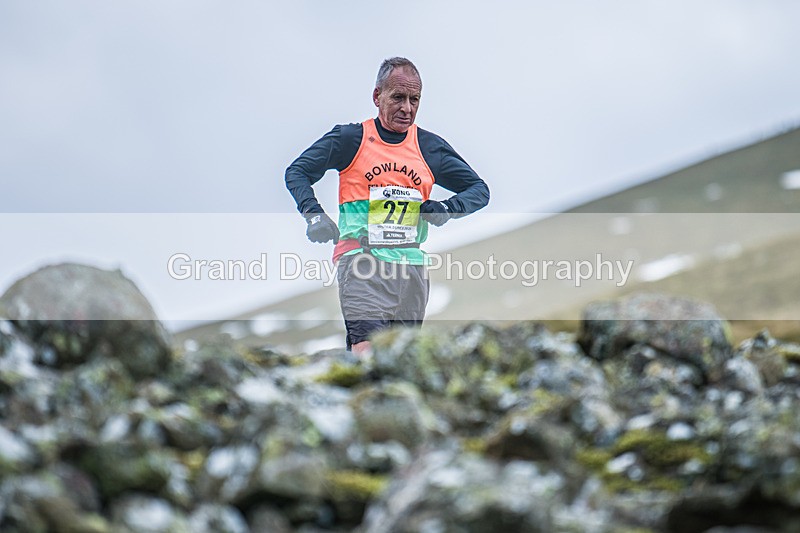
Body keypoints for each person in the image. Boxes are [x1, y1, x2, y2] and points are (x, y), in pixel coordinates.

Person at [285, 57, 489, 355]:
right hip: (361, 262)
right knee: (367, 352)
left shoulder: (430, 147)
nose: (407, 107)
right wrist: (314, 215)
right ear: (377, 96)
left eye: (414, 99)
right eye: (398, 97)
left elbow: (479, 190)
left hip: (411, 271)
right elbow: (297, 171)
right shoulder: (351, 139)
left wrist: (446, 208)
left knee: (399, 360)